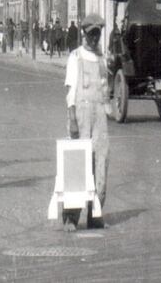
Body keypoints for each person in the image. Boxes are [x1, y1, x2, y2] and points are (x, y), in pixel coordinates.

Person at [63, 13, 110, 231]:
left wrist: (107, 111)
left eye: (97, 34)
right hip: (80, 115)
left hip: (99, 116)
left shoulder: (101, 59)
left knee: (101, 161)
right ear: (84, 34)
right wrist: (72, 119)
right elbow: (70, 91)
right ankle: (71, 217)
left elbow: (105, 88)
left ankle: (95, 213)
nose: (94, 38)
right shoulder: (76, 57)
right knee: (77, 163)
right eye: (91, 34)